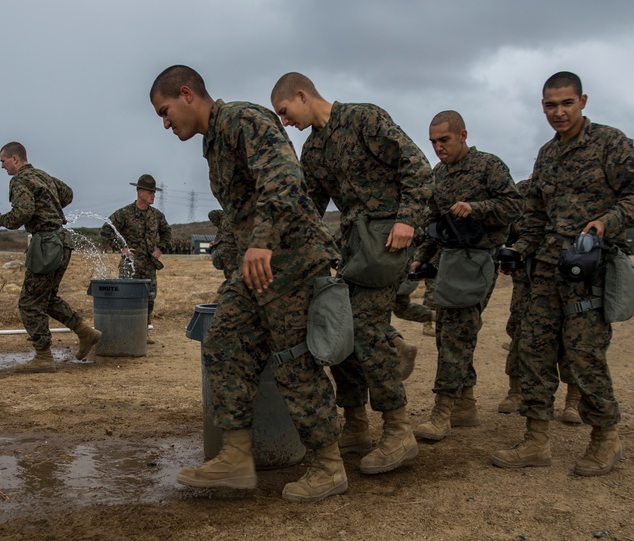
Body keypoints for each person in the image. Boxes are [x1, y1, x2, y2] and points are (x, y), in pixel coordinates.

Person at [150, 65, 345, 503]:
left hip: (289, 260)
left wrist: (262, 241)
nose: (165, 123)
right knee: (224, 341)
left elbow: (285, 179)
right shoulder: (214, 143)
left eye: (165, 111)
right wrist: (235, 260)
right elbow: (242, 211)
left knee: (293, 360)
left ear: (186, 94)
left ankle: (330, 466)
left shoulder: (244, 120)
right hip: (256, 269)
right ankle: (236, 458)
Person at [490, 71, 634, 476]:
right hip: (545, 270)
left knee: (584, 355)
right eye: (550, 105)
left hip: (589, 268)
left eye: (566, 103)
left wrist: (604, 222)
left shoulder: (611, 143)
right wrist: (517, 250)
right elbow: (535, 217)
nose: (558, 112)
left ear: (582, 101)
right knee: (532, 349)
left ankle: (605, 438)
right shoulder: (546, 154)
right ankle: (537, 440)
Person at [271, 72, 432, 473]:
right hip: (354, 244)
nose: (284, 121)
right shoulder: (314, 151)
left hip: (390, 237)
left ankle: (398, 429)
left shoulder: (364, 119)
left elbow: (416, 166)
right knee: (337, 324)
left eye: (284, 111)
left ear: (302, 95)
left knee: (362, 325)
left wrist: (407, 218)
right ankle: (356, 423)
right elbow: (309, 208)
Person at [410, 111, 521, 441]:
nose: (438, 148)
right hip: (448, 261)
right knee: (447, 332)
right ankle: (465, 406)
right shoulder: (438, 175)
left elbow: (514, 206)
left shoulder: (490, 166)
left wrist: (477, 208)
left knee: (457, 332)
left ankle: (443, 411)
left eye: (444, 140)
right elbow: (433, 223)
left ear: (462, 135)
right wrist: (421, 258)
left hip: (478, 259)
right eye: (433, 143)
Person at [0, 142, 102, 373]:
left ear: (16, 159)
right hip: (62, 242)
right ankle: (85, 333)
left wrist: (0, 220)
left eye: (3, 160)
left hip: (47, 245)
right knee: (46, 297)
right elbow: (67, 193)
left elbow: (22, 213)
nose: (2, 166)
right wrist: (49, 206)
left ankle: (42, 356)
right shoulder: (43, 176)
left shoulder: (19, 180)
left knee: (29, 302)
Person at [498, 180, 581, 424]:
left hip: (567, 274)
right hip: (528, 278)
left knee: (571, 336)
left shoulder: (574, 190)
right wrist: (510, 254)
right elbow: (510, 228)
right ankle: (516, 391)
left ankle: (573, 400)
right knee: (521, 333)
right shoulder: (523, 190)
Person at [100, 174, 172, 338]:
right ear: (140, 192)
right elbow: (106, 230)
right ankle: (125, 333)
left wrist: (160, 249)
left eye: (155, 192)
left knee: (149, 299)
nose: (154, 195)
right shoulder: (124, 214)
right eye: (150, 192)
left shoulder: (157, 215)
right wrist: (122, 248)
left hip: (149, 266)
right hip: (130, 266)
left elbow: (167, 233)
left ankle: (142, 334)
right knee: (126, 298)